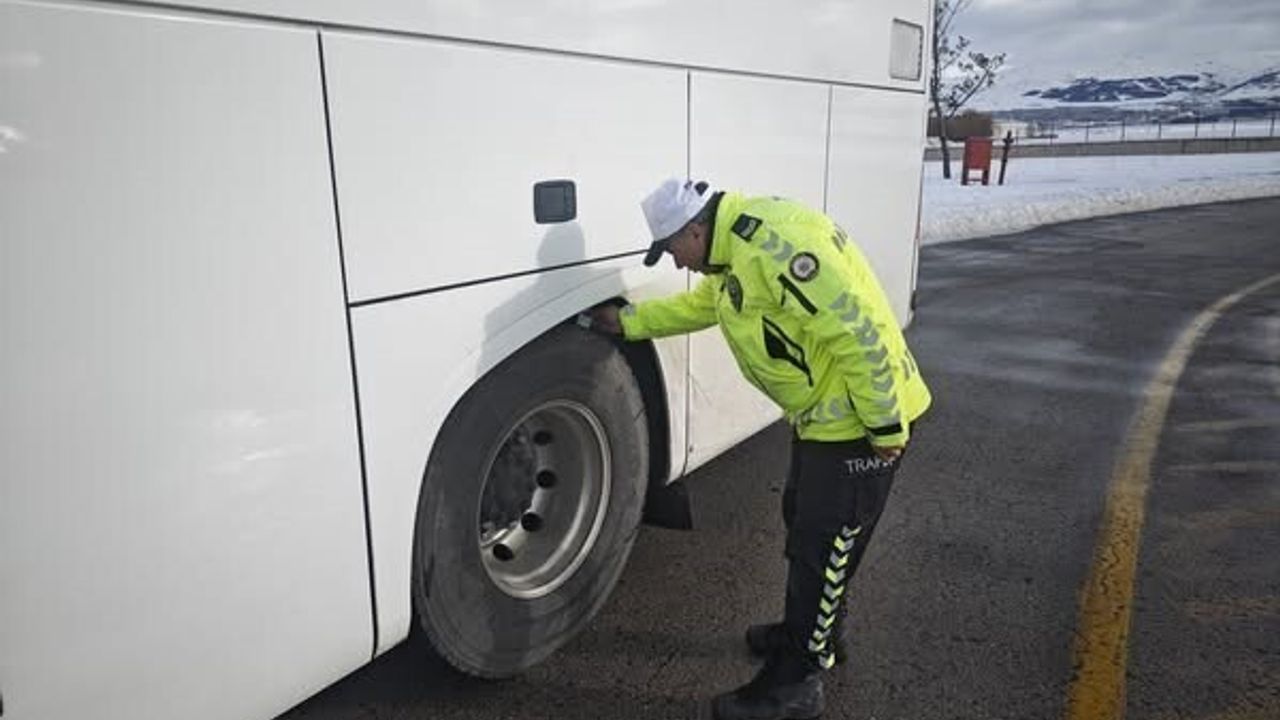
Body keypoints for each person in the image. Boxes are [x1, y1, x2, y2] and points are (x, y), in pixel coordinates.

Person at [591, 178, 932, 720]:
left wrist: (885, 427)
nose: (677, 263)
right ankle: (815, 633)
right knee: (805, 526)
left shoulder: (777, 248)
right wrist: (630, 324)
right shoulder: (735, 255)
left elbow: (859, 332)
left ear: (695, 230)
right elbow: (706, 306)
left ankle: (795, 684)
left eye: (674, 250)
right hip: (829, 418)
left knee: (824, 548)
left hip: (860, 424)